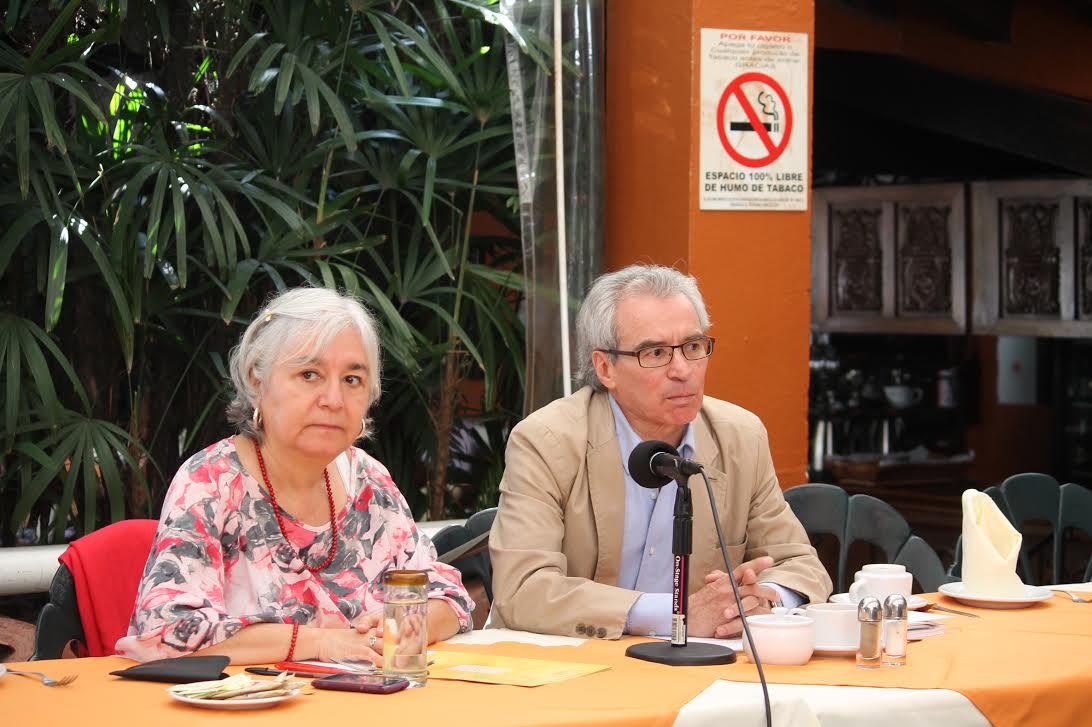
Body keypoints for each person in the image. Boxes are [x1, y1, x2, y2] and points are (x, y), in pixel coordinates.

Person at [117, 288, 473, 664]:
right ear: (257, 382)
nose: (333, 399)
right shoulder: (210, 483)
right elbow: (167, 631)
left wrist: (398, 625)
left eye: (352, 379)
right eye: (309, 374)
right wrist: (319, 643)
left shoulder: (368, 480)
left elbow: (449, 598)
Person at [489, 264, 831, 639]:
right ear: (605, 367)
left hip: (700, 657)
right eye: (655, 353)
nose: (683, 370)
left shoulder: (739, 437)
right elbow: (523, 589)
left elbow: (799, 563)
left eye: (693, 347)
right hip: (578, 660)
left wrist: (764, 602)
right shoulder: (547, 441)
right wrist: (674, 614)